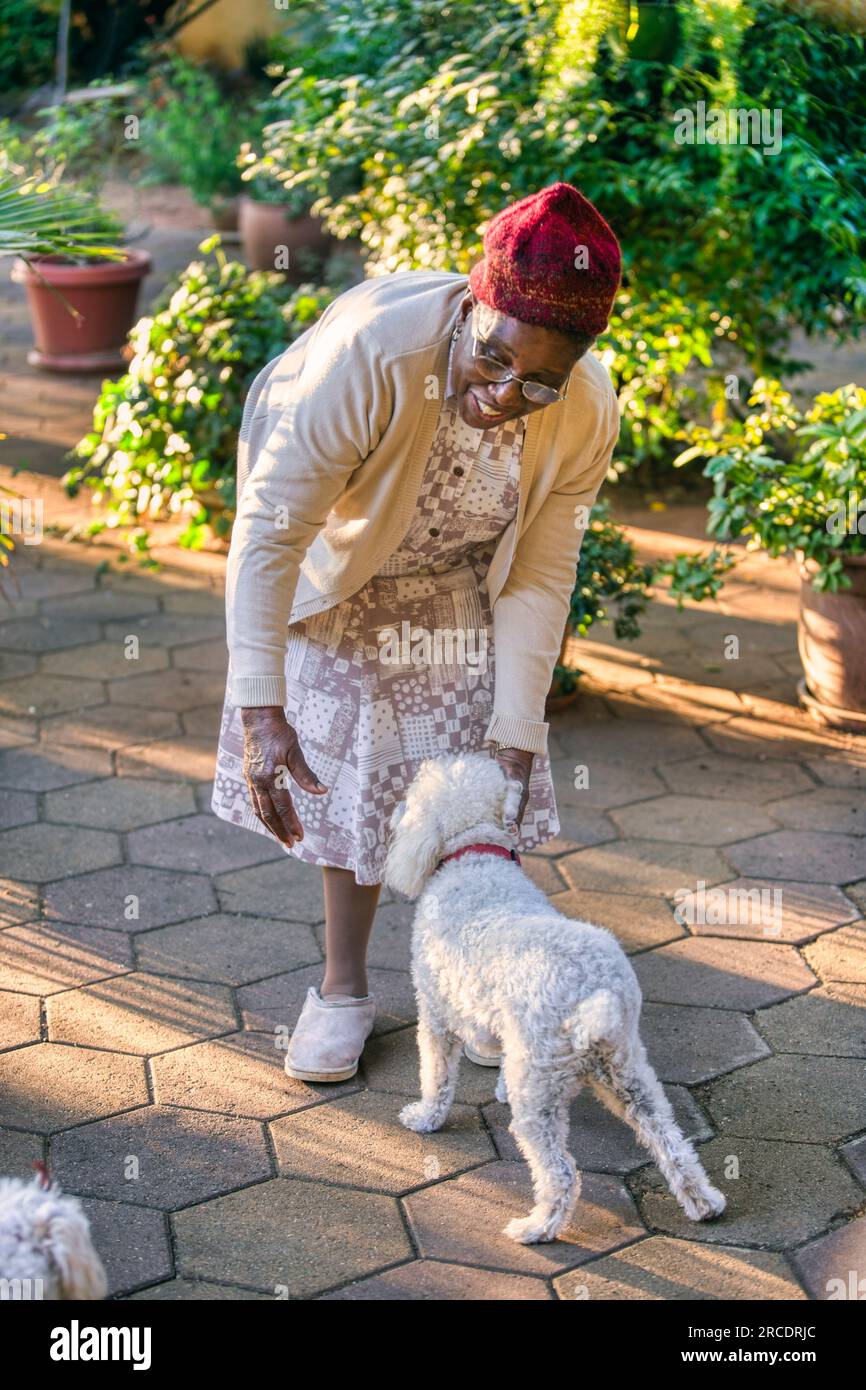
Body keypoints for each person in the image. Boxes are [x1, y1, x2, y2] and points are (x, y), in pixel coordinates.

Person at [211, 181, 622, 1081]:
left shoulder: (587, 407)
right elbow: (272, 526)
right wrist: (259, 707)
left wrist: (517, 732)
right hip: (345, 558)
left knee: (481, 777)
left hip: (463, 575)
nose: (511, 395)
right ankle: (343, 989)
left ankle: (481, 981)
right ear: (476, 304)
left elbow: (543, 573)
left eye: (541, 382)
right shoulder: (374, 349)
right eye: (496, 360)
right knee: (358, 781)